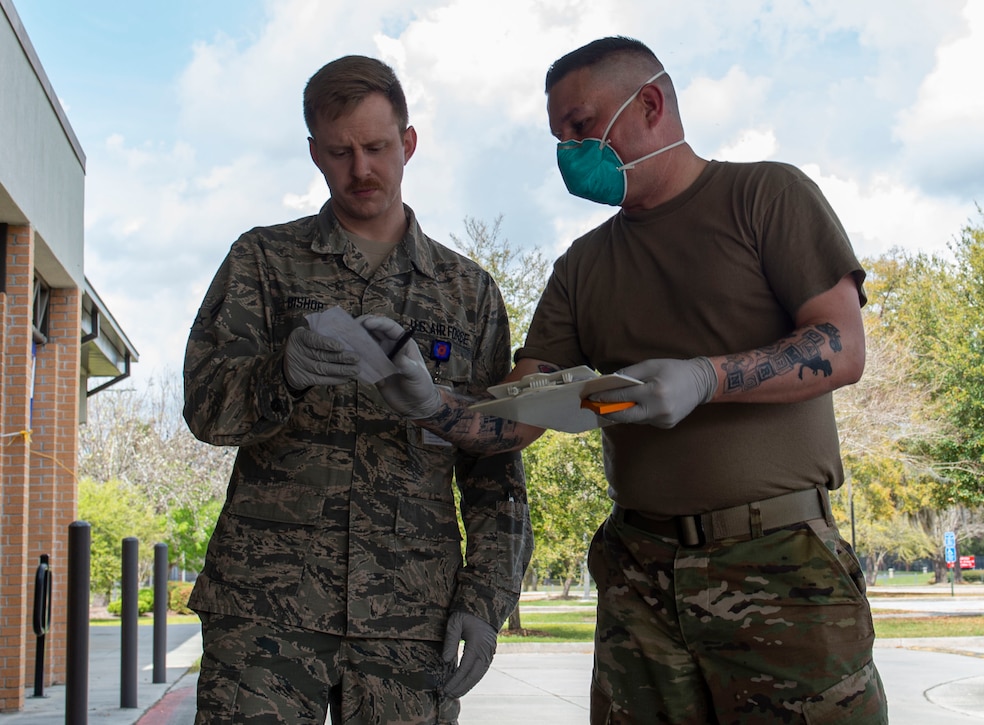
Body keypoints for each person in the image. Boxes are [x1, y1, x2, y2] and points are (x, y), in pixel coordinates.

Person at [361, 36, 888, 724]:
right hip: (638, 575)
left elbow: (842, 346)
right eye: (559, 138)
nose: (569, 152)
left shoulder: (766, 196)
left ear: (650, 104)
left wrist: (707, 378)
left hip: (780, 562)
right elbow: (518, 414)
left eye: (581, 127)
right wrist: (433, 404)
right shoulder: (581, 268)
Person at [182, 55, 532, 725]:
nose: (361, 169)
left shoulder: (467, 292)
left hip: (411, 614)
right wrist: (281, 373)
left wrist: (487, 597)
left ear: (409, 143)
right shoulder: (264, 261)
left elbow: (495, 463)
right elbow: (205, 407)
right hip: (266, 608)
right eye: (340, 152)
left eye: (376, 147)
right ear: (315, 152)